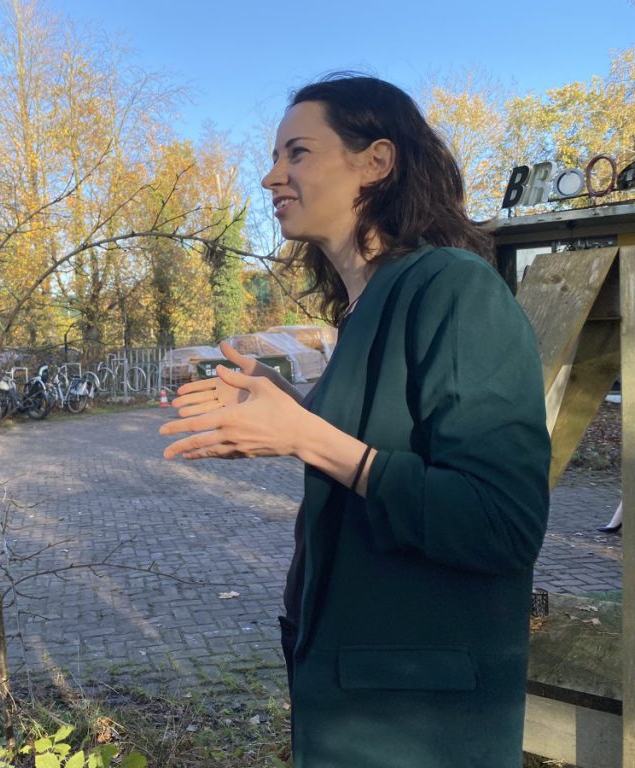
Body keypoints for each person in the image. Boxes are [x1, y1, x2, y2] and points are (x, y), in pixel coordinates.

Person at [160, 75, 550, 766]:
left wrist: (305, 434)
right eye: (275, 157)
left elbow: (501, 523)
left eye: (298, 153)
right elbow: (381, 446)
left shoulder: (454, 287)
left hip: (421, 729)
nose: (271, 176)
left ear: (376, 161)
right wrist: (286, 415)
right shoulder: (365, 310)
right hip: (353, 707)